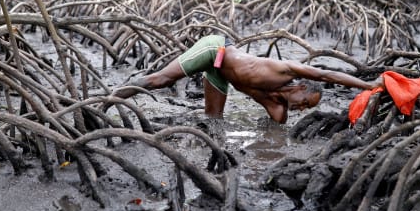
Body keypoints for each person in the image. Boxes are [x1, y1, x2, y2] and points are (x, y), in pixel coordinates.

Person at [112, 35, 382, 124]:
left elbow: (277, 124)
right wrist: (368, 86)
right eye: (305, 102)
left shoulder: (277, 108)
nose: (302, 109)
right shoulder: (284, 69)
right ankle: (109, 98)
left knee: (214, 123)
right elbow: (327, 74)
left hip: (219, 73)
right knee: (161, 81)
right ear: (300, 86)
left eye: (306, 109)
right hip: (216, 49)